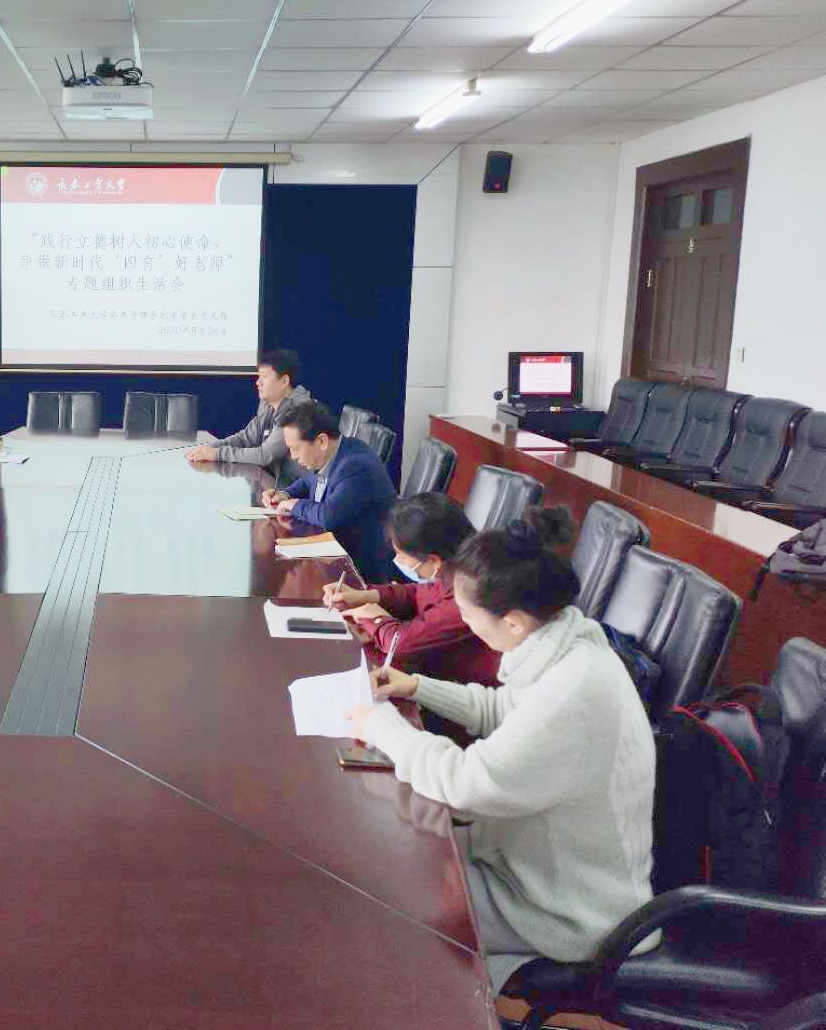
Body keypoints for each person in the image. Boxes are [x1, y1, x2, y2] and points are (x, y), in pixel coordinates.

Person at [346, 507, 658, 992]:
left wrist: (384, 726)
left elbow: (466, 785)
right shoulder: (567, 645)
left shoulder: (573, 691)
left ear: (512, 622)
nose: (464, 622)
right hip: (530, 867)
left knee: (382, 902)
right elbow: (501, 709)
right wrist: (417, 687)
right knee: (397, 852)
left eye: (468, 615)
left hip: (566, 910)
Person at [321, 492, 499, 688]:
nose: (398, 561)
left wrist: (375, 618)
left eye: (402, 555)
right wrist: (366, 595)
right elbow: (418, 594)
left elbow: (401, 645)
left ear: (433, 560)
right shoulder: (456, 567)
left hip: (461, 690)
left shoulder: (470, 591)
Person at [261, 401, 397, 583]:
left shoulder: (356, 465)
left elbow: (328, 516)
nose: (293, 456)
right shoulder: (334, 453)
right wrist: (285, 494)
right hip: (334, 552)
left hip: (361, 570)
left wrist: (294, 504)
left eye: (295, 449)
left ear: (321, 442)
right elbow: (308, 480)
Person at [184, 349, 312, 475]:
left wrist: (217, 454)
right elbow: (245, 439)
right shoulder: (269, 405)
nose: (258, 382)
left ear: (284, 381)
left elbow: (266, 455)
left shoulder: (298, 409)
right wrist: (210, 448)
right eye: (258, 376)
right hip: (273, 482)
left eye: (264, 377)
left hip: (293, 485)